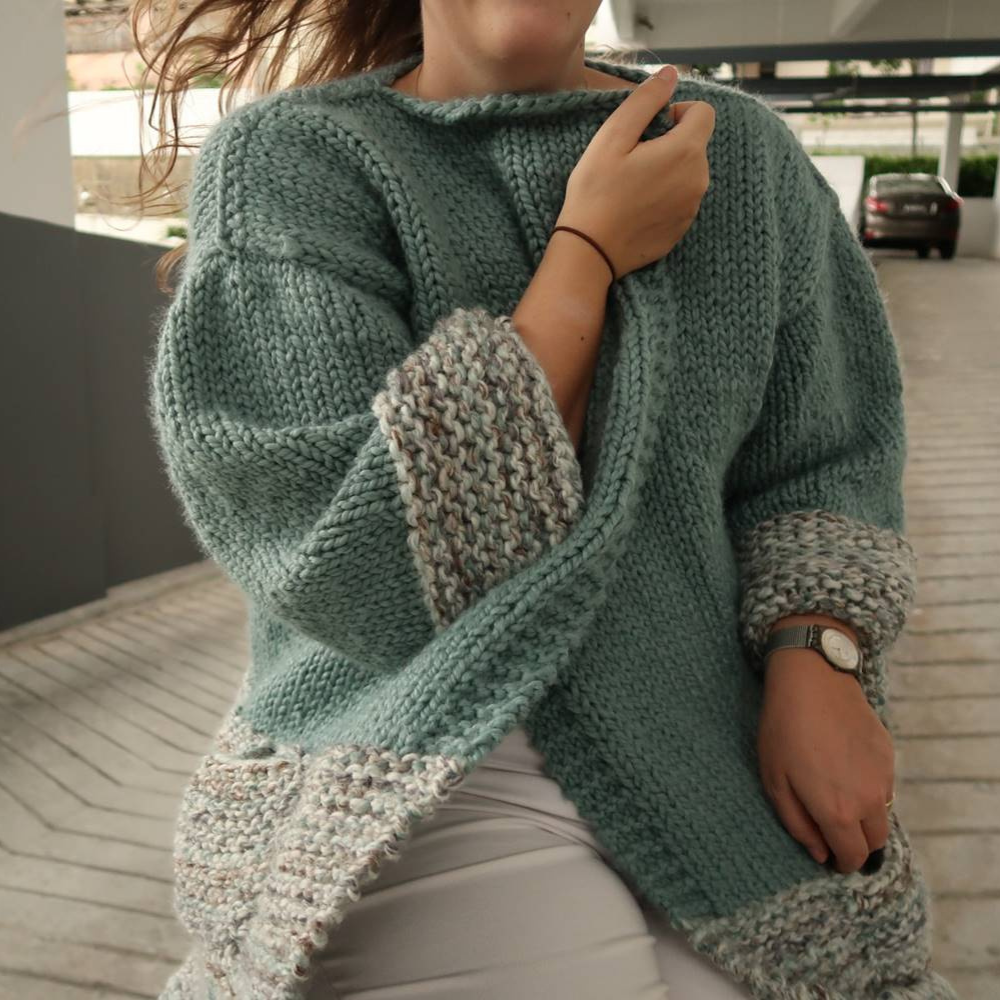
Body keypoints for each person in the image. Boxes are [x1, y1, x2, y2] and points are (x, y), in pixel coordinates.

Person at [143, 2, 956, 998]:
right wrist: (588, 251)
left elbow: (824, 455)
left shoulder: (742, 152)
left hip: (711, 749)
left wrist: (820, 656)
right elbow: (350, 564)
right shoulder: (293, 160)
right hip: (415, 755)